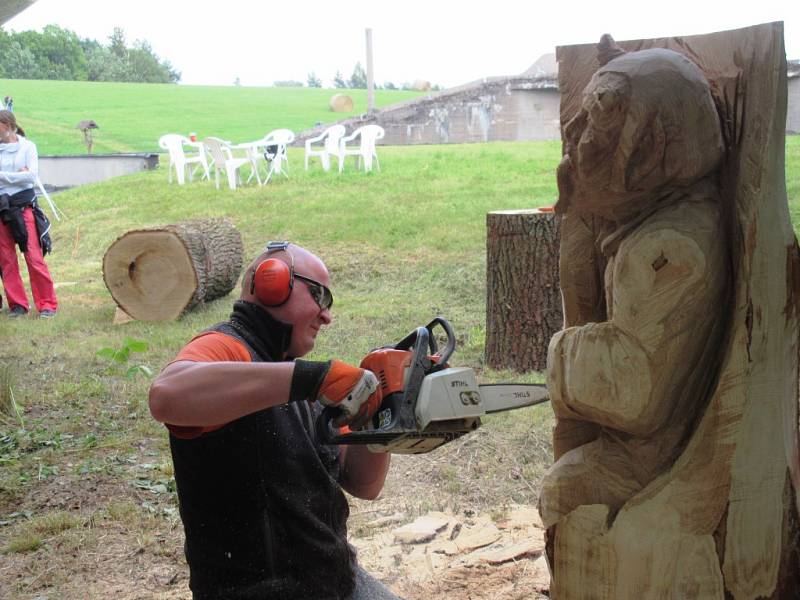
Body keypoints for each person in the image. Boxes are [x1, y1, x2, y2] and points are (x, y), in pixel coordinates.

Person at [149, 242, 402, 600]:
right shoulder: (227, 347)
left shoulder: (302, 381)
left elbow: (363, 484)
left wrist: (380, 423)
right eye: (319, 296)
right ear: (272, 281)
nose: (325, 315)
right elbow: (167, 396)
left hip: (334, 579)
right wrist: (310, 379)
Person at [0, 110, 58, 318]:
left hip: (23, 207)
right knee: (6, 259)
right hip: (2, 209)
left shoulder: (27, 147)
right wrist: (17, 176)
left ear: (6, 125)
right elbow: (22, 178)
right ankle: (17, 305)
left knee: (33, 256)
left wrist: (3, 176)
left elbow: (31, 178)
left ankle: (47, 304)